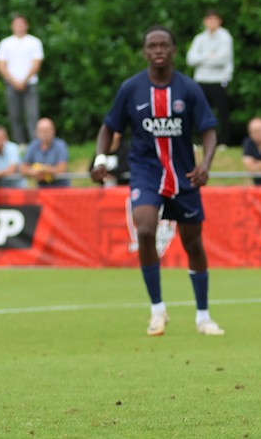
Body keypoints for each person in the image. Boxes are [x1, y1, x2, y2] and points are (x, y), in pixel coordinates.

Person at [91, 25, 224, 337]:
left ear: (174, 50)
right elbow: (109, 127)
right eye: (152, 46)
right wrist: (100, 159)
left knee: (193, 243)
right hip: (145, 172)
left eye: (164, 45)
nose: (158, 50)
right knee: (146, 229)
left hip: (183, 175)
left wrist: (205, 163)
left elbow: (208, 130)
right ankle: (157, 310)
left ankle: (203, 316)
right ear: (145, 51)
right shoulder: (131, 88)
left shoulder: (189, 89)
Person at [186, 9, 234, 148]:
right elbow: (191, 59)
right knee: (200, 111)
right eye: (209, 19)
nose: (211, 22)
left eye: (214, 19)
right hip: (201, 81)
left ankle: (223, 141)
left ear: (219, 21)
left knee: (221, 112)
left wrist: (202, 58)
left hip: (219, 81)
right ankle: (201, 141)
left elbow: (222, 60)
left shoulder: (225, 37)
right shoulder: (199, 38)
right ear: (204, 21)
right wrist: (210, 56)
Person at [0, 13, 44, 146]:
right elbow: (1, 66)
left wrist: (24, 80)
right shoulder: (5, 43)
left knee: (32, 116)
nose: (19, 27)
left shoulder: (34, 42)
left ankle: (35, 145)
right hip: (12, 84)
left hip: (30, 84)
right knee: (15, 116)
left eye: (22, 24)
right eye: (17, 24)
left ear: (26, 26)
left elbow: (36, 63)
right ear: (12, 26)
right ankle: (19, 145)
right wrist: (14, 81)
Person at [20, 117, 70, 187]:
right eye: (42, 131)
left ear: (53, 131)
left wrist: (43, 170)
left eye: (47, 131)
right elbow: (22, 168)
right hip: (41, 190)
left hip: (60, 189)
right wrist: (32, 172)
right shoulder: (33, 146)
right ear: (36, 132)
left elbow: (62, 168)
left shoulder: (60, 145)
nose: (44, 134)